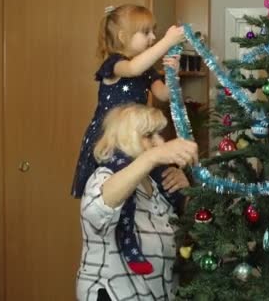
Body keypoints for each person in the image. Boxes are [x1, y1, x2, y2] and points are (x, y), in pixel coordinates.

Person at [77, 103, 198, 301]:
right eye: (149, 135)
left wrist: (186, 191)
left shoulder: (157, 181)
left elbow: (194, 228)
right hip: (113, 294)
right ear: (124, 139)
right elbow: (96, 210)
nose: (160, 143)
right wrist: (151, 157)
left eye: (160, 134)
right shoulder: (104, 176)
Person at [71, 3, 185, 198]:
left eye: (154, 32)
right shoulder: (115, 63)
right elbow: (133, 69)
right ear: (123, 37)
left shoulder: (146, 69)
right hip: (113, 138)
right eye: (146, 32)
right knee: (119, 190)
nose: (153, 37)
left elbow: (165, 95)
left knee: (149, 186)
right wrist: (167, 42)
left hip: (136, 136)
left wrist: (172, 75)